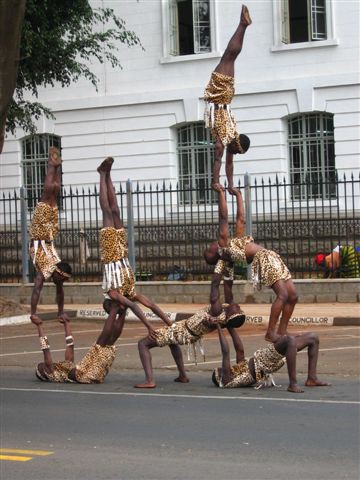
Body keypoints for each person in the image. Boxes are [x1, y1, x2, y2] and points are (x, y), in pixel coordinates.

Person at [135, 188, 246, 389]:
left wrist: (222, 261)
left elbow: (215, 282)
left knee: (143, 344)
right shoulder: (225, 311)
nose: (239, 306)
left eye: (237, 309)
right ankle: (182, 375)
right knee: (171, 338)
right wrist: (241, 369)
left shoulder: (216, 309)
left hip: (183, 331)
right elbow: (238, 349)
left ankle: (150, 380)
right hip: (185, 330)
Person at [204, 186, 298, 343]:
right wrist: (221, 194)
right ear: (215, 253)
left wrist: (239, 195)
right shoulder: (224, 250)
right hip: (264, 259)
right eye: (209, 249)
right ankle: (270, 333)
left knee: (293, 296)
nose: (211, 245)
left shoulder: (235, 242)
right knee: (283, 295)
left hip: (272, 257)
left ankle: (282, 331)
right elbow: (223, 217)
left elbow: (241, 218)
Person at [29, 148, 73, 366]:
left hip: (46, 238)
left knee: (52, 194)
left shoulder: (56, 272)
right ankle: (52, 166)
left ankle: (54, 167)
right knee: (50, 193)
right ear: (58, 273)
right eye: (60, 280)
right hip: (40, 236)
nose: (59, 284)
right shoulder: (47, 269)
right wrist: (33, 313)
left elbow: (60, 292)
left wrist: (60, 312)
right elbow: (37, 287)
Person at [204, 4, 252, 191]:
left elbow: (228, 164)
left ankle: (243, 25)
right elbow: (218, 153)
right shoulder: (226, 137)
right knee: (228, 57)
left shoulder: (231, 136)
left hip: (225, 97)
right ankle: (243, 25)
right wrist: (215, 181)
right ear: (236, 144)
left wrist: (231, 185)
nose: (233, 154)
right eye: (236, 151)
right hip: (220, 95)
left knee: (230, 57)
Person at [213, 324, 330, 393]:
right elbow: (225, 352)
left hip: (268, 362)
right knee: (289, 340)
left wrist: (229, 325)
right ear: (220, 378)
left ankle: (312, 378)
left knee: (313, 338)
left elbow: (239, 349)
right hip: (265, 360)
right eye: (220, 370)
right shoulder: (228, 381)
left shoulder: (237, 370)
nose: (222, 368)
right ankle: (292, 384)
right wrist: (218, 326)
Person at [35, 299, 124, 383]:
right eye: (41, 366)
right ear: (44, 373)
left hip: (95, 375)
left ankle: (123, 311)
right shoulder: (51, 372)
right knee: (102, 341)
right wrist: (39, 326)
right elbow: (45, 349)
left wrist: (66, 324)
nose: (43, 364)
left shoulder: (64, 367)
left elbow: (70, 344)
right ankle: (114, 308)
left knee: (110, 341)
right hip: (85, 374)